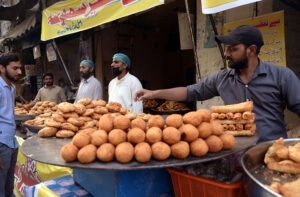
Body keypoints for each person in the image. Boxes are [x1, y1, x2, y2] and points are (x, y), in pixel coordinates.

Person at [135, 25, 300, 143]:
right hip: (236, 152)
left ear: (251, 50)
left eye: (233, 49)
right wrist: (154, 93)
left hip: (271, 150)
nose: (226, 54)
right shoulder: (222, 78)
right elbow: (189, 92)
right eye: (226, 49)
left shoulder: (281, 76)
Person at [0, 53, 22, 197]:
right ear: (2, 68)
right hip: (1, 143)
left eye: (20, 68)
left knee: (9, 186)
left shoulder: (11, 87)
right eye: (15, 68)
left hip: (11, 141)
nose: (19, 72)